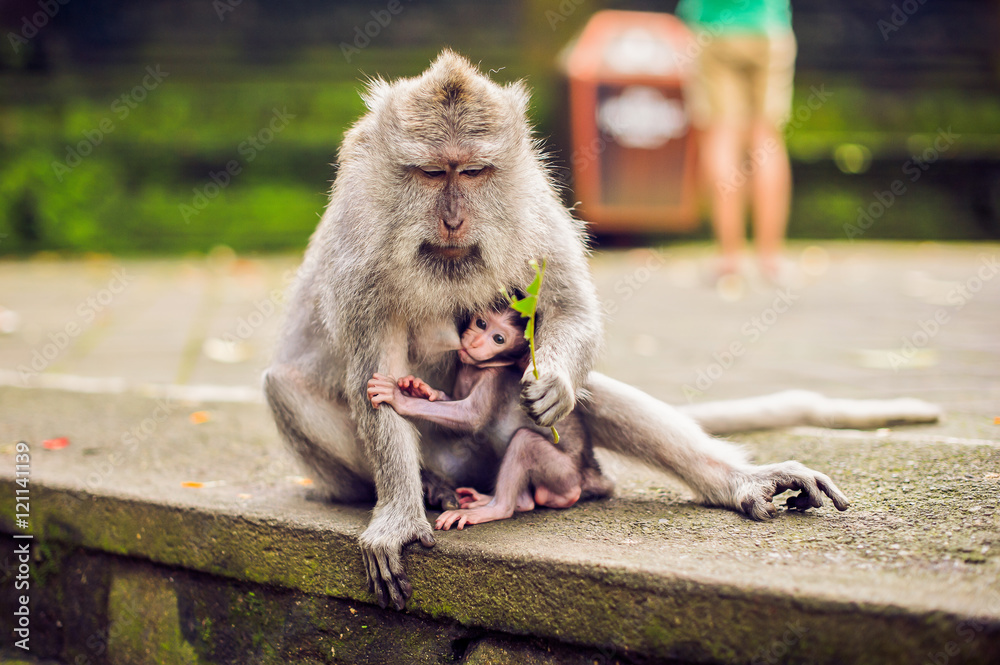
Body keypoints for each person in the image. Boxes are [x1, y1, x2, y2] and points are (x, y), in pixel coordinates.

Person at [676, 0, 797, 285]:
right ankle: (771, 260)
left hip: (711, 28)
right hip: (767, 27)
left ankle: (730, 259)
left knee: (721, 135)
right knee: (766, 136)